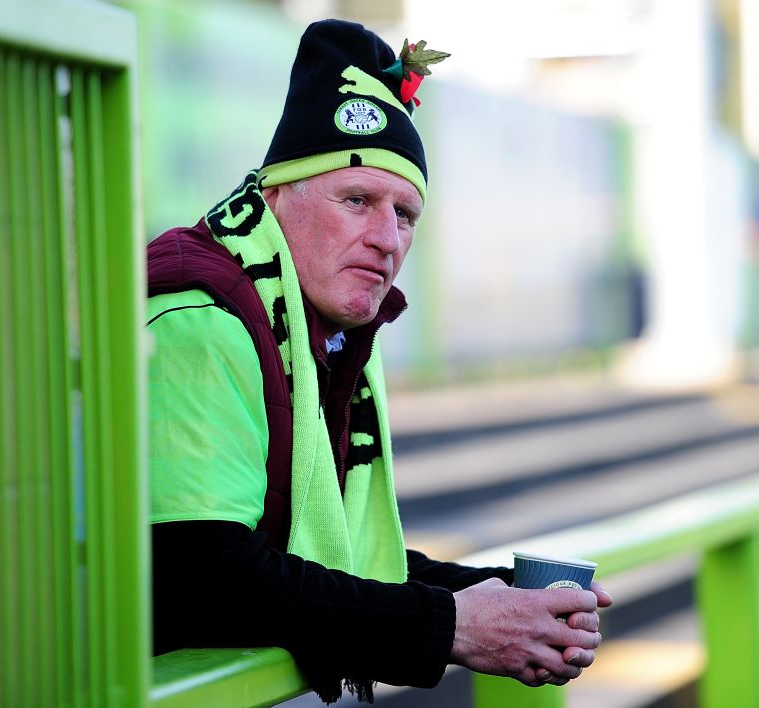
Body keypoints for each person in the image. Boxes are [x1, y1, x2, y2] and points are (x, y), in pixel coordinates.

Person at [145, 19, 613, 704]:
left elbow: (316, 557)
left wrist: (492, 597)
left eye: (405, 214)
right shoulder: (200, 320)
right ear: (277, 195)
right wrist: (452, 625)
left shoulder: (312, 319)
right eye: (357, 201)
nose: (385, 238)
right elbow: (203, 576)